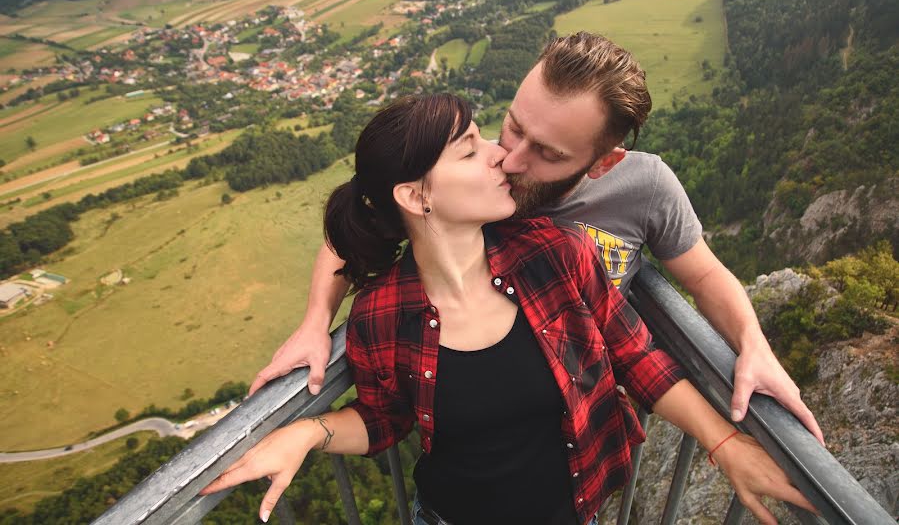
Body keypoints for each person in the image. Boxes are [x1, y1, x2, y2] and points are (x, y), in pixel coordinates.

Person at [202, 94, 815, 525]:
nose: (501, 155)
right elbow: (385, 419)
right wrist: (307, 432)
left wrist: (725, 445)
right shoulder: (382, 312)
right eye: (470, 151)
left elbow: (636, 356)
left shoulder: (557, 254)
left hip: (580, 509)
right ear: (416, 196)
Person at [249, 32, 824, 445]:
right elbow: (371, 215)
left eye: (547, 153)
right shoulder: (475, 179)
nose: (512, 160)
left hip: (581, 433)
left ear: (603, 162)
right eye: (514, 126)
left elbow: (702, 275)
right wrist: (313, 323)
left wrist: (754, 343)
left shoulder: (645, 187)